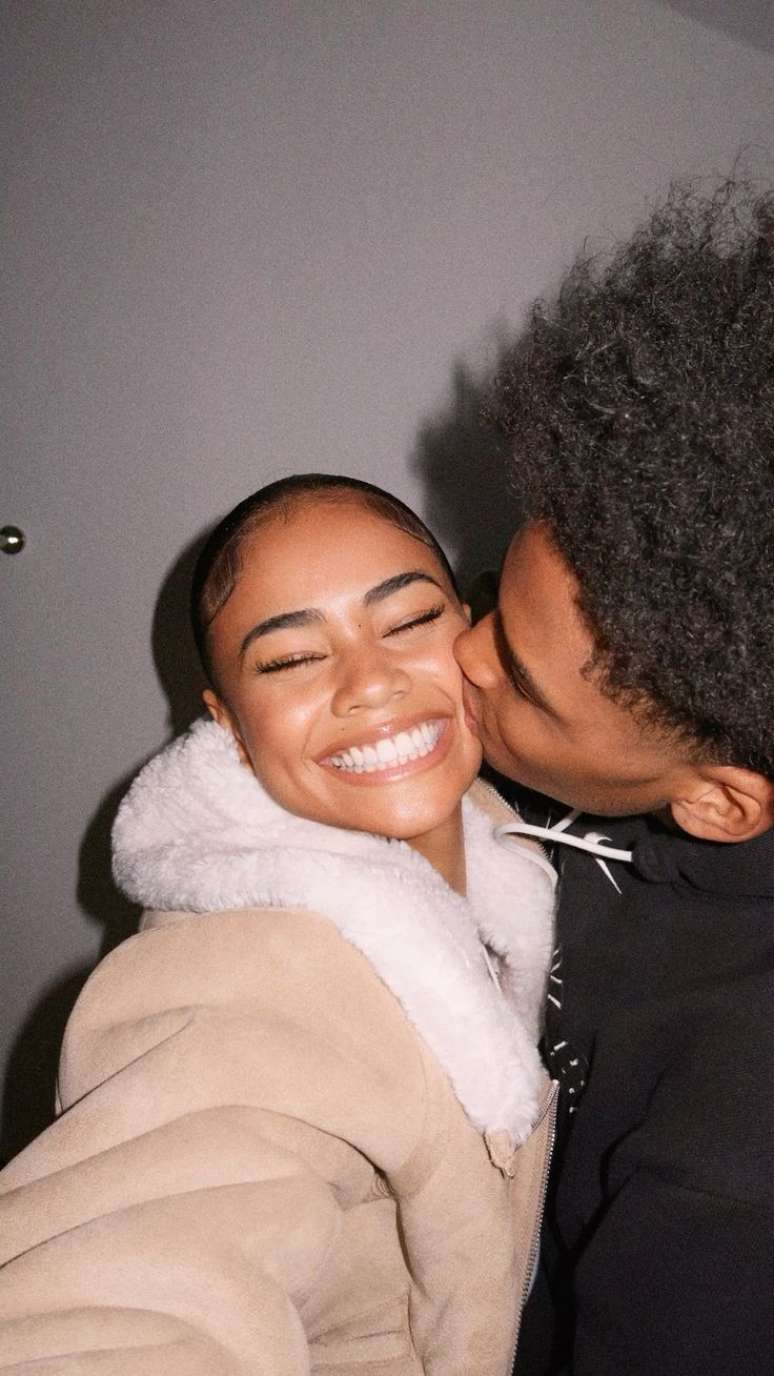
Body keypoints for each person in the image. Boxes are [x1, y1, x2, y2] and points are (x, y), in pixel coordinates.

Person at [0, 473, 557, 1375]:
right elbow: (115, 1302)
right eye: (292, 659)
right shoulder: (243, 985)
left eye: (409, 621)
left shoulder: (520, 843)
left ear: (470, 628)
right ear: (228, 723)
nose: (370, 682)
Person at [455, 180, 774, 1375]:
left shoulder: (733, 1170)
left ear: (718, 800)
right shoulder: (611, 751)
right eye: (489, 596)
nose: (460, 652)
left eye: (520, 680)